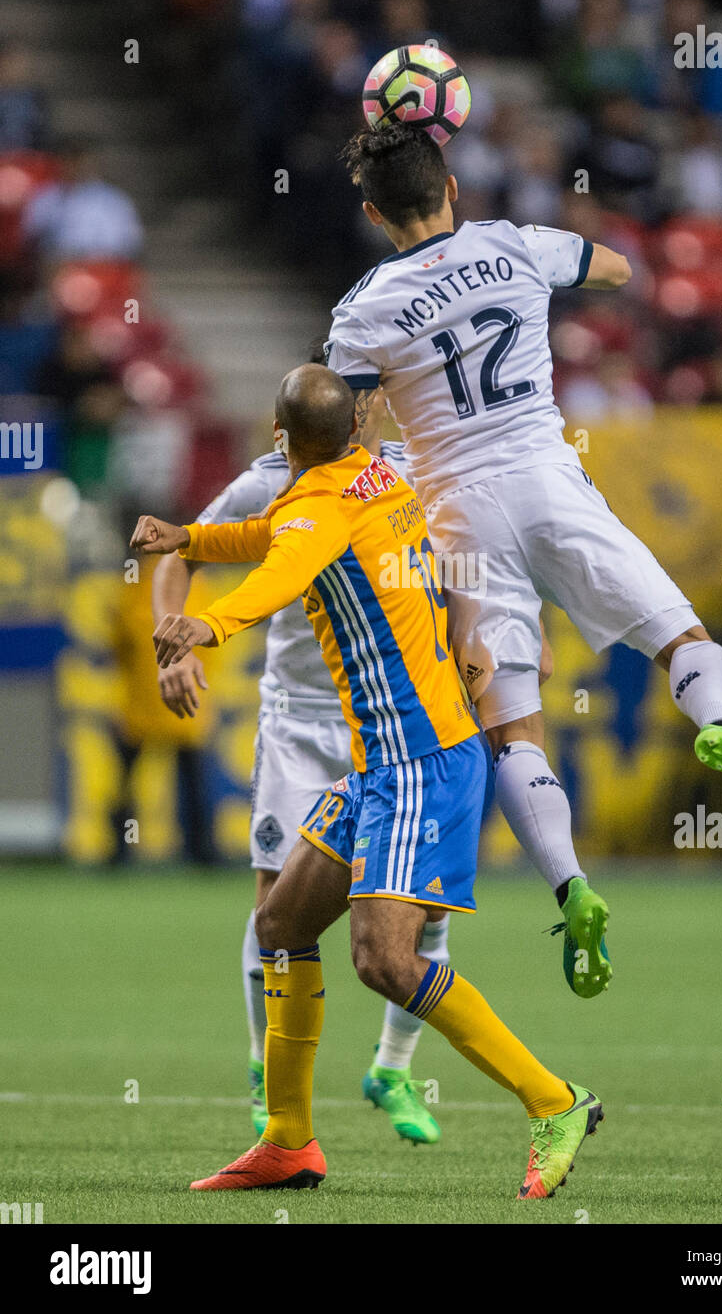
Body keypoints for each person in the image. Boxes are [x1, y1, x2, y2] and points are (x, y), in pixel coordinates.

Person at [323, 124, 722, 996]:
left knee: (514, 727)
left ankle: (572, 887)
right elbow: (620, 269)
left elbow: (345, 434)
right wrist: (544, 269)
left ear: (371, 213)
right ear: (453, 187)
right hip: (549, 475)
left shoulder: (363, 310)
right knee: (680, 633)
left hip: (457, 516)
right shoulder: (513, 245)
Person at [131, 363, 603, 1200]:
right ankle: (287, 1142)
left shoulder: (315, 502)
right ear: (350, 430)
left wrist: (207, 622)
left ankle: (554, 1100)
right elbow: (275, 537)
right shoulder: (370, 472)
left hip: (420, 759)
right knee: (279, 924)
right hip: (384, 761)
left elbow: (282, 569)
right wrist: (188, 539)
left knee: (384, 961)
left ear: (281, 439)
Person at [151, 391, 446, 1144]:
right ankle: (267, 1076)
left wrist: (511, 640)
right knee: (276, 905)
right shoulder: (275, 480)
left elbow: (475, 561)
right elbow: (181, 548)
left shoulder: (412, 474)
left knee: (429, 903)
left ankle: (392, 1067)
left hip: (395, 718)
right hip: (303, 723)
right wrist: (175, 641)